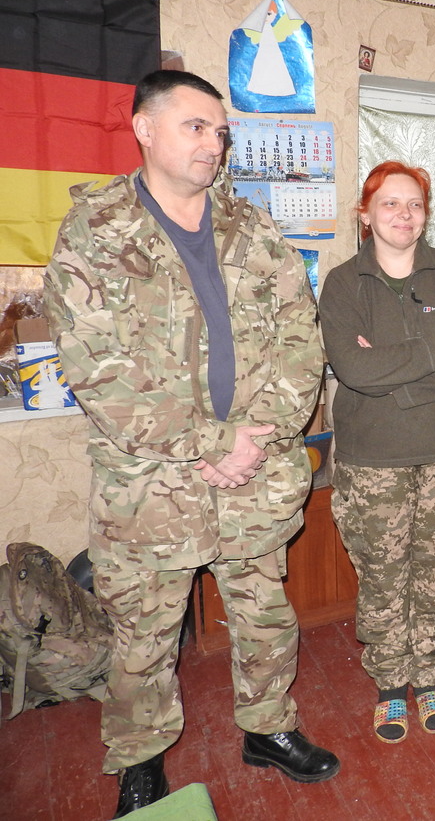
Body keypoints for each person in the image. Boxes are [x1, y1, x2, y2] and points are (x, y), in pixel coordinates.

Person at [43, 70, 338, 818]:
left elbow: (301, 337)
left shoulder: (252, 227)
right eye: (195, 126)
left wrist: (257, 437)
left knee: (263, 613)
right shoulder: (96, 231)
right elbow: (96, 370)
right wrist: (209, 443)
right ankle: (140, 760)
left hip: (255, 470)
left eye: (220, 131)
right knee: (144, 635)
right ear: (144, 129)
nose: (214, 143)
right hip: (152, 484)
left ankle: (269, 729)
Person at [318, 161, 435, 743]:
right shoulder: (343, 283)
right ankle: (391, 684)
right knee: (383, 577)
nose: (404, 214)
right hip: (373, 461)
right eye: (390, 203)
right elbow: (354, 368)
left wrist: (398, 383)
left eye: (415, 204)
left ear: (426, 214)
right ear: (365, 214)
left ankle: (428, 675)